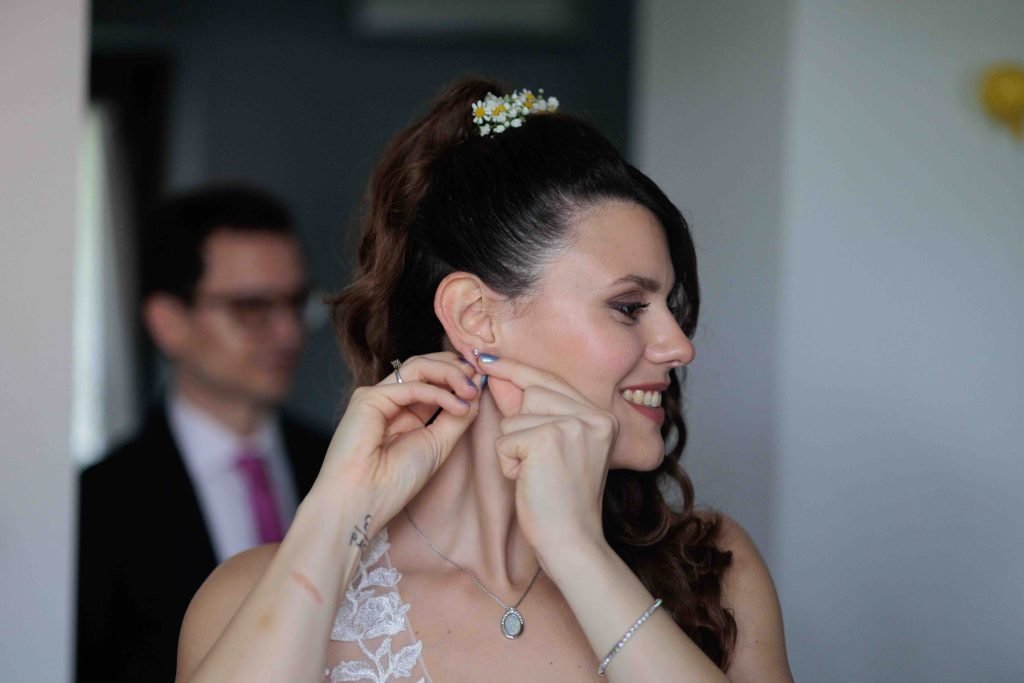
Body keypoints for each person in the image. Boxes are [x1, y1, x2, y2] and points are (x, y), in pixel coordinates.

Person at [176, 80, 793, 682]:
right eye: (629, 307)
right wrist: (337, 517)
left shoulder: (711, 570)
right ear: (476, 318)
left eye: (670, 308)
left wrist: (578, 550)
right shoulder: (243, 598)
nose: (679, 346)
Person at [76, 185, 330, 683]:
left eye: (295, 302)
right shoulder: (99, 502)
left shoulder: (338, 463)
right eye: (252, 308)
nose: (288, 332)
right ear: (168, 323)